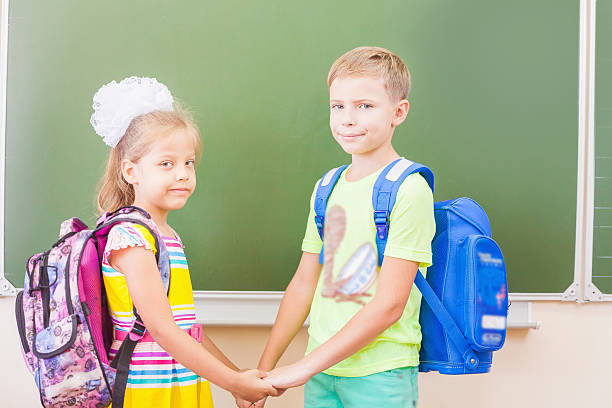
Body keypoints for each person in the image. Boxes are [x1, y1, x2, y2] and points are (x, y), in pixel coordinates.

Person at [244, 47, 435, 408]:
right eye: (338, 106)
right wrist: (265, 371)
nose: (348, 118)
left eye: (365, 106)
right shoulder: (326, 187)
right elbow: (303, 284)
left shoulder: (409, 188)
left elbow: (390, 305)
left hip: (380, 374)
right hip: (323, 374)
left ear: (399, 112)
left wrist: (300, 369)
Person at [91, 76, 278, 408]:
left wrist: (235, 380)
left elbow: (186, 328)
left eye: (188, 162)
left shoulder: (168, 237)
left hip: (180, 384)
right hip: (145, 392)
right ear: (131, 171)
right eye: (166, 164)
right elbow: (161, 330)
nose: (182, 173)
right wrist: (233, 381)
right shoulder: (130, 238)